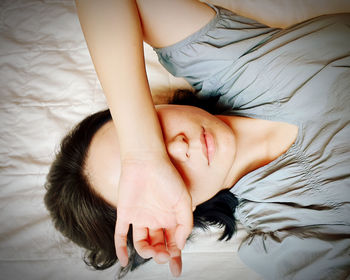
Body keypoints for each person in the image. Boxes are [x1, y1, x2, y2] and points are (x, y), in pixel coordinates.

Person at [45, 1, 350, 279]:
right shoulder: (289, 230)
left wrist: (142, 153)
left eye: (152, 131)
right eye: (167, 172)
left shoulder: (221, 60)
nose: (179, 146)